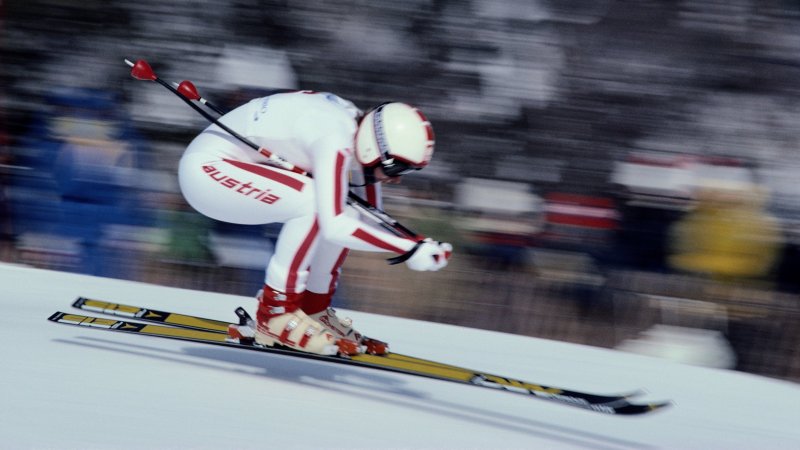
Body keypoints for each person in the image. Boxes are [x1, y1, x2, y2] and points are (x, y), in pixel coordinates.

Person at [178, 91, 452, 356]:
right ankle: (275, 314)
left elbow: (368, 216)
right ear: (374, 149)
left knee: (344, 206)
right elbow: (334, 225)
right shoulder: (334, 137)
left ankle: (312, 308)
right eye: (397, 169)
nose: (397, 179)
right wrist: (408, 249)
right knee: (313, 202)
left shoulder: (354, 130)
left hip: (231, 167)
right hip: (205, 172)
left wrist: (415, 245)